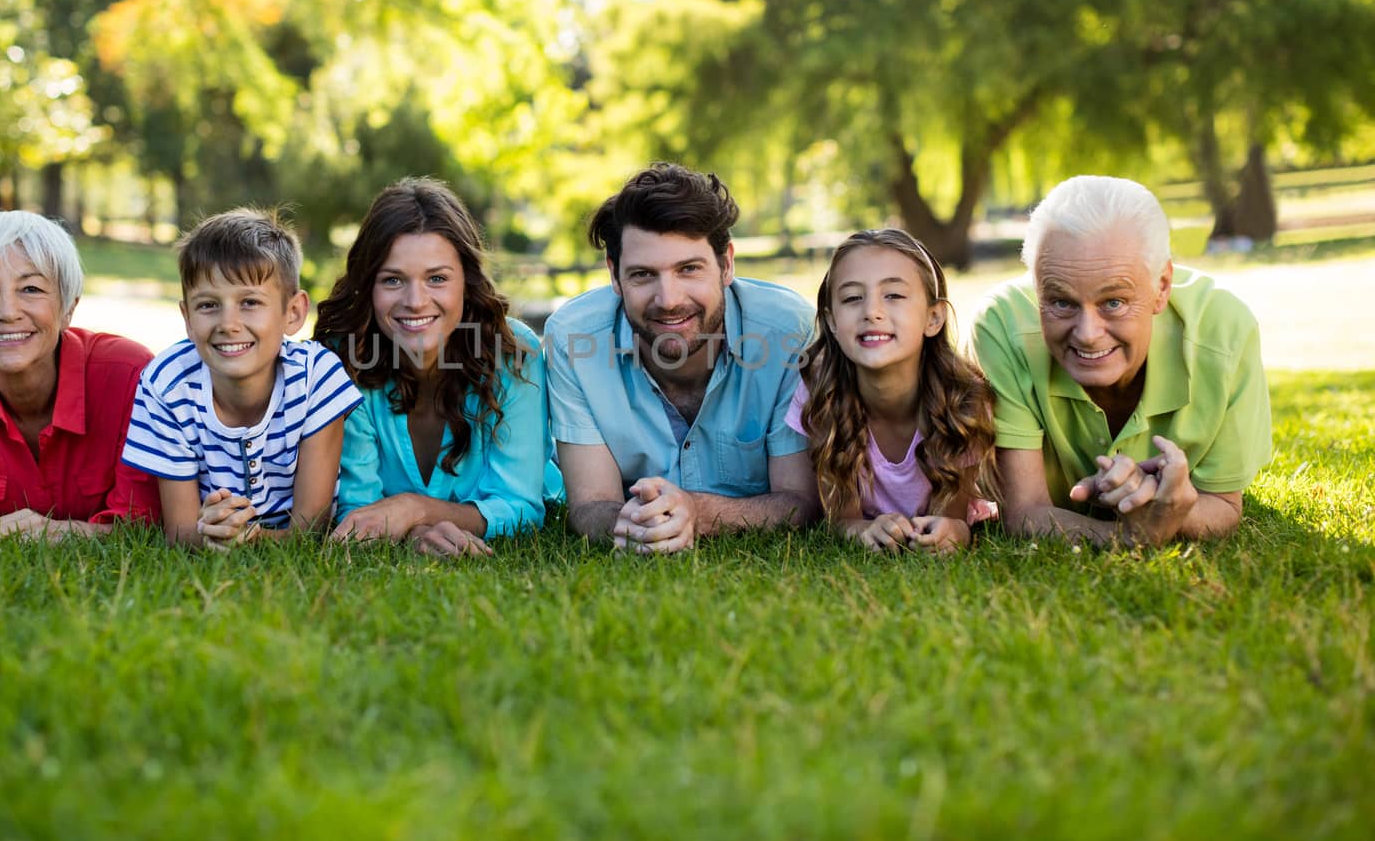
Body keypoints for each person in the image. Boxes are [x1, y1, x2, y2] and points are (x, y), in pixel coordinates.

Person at [970, 175, 1273, 546]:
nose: (1087, 333)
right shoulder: (1003, 326)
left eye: (1114, 302)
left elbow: (1224, 505)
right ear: (1036, 286)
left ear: (1161, 287)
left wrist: (1169, 509)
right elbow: (1025, 510)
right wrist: (1127, 537)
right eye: (1061, 302)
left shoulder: (1224, 332)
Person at [544, 163, 820, 555]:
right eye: (642, 275)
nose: (669, 299)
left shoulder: (787, 332)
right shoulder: (572, 339)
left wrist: (699, 513)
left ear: (726, 264)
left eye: (689, 269)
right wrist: (633, 526)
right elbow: (589, 504)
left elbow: (800, 501)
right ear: (614, 275)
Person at [315, 179, 558, 558]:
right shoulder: (346, 362)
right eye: (392, 280)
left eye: (437, 279)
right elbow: (359, 515)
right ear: (368, 286)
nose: (415, 301)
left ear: (467, 282)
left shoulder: (512, 353)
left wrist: (413, 509)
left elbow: (521, 507)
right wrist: (417, 533)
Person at [0, 211, 161, 540]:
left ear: (68, 307)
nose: (8, 312)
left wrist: (53, 534)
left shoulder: (128, 375)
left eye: (31, 289)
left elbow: (143, 525)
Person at [121, 209, 361, 550]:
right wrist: (211, 533)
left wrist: (251, 539)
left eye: (250, 302)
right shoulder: (166, 385)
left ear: (292, 313)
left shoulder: (315, 378)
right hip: (211, 524)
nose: (228, 324)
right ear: (187, 317)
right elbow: (180, 532)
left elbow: (310, 529)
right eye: (208, 305)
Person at [790, 229, 997, 553]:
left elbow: (955, 519)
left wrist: (951, 531)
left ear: (934, 317)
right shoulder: (821, 395)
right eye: (852, 298)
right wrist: (864, 531)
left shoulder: (963, 400)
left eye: (894, 296)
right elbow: (841, 520)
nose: (871, 311)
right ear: (831, 321)